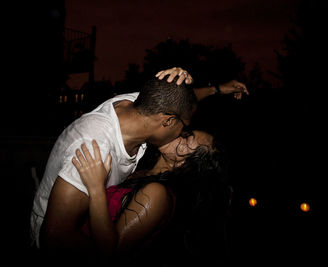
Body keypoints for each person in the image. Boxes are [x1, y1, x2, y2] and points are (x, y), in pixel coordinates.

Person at [30, 67, 246, 259]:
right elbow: (54, 238)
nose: (181, 133)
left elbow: (175, 105)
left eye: (186, 134)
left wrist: (214, 90)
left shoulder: (138, 107)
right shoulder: (94, 147)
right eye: (184, 130)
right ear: (168, 121)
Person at [72, 130, 227, 264]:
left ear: (185, 164)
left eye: (187, 138)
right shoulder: (142, 172)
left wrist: (96, 188)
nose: (178, 134)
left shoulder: (156, 193)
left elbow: (110, 254)